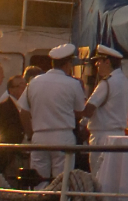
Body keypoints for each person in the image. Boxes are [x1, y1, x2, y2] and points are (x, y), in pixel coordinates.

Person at [17, 43, 85, 181]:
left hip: (39, 137)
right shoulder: (73, 84)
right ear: (68, 64)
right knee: (62, 181)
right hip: (63, 137)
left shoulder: (34, 82)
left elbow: (23, 111)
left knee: (38, 181)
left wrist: (30, 135)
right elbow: (80, 112)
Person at [82, 45, 128, 174]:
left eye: (99, 61)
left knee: (99, 176)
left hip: (102, 137)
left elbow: (88, 110)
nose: (97, 64)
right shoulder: (125, 81)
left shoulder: (107, 83)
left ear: (107, 62)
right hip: (120, 137)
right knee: (115, 177)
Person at [0, 75, 27, 177]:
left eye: (25, 85)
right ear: (11, 90)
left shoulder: (28, 107)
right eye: (20, 86)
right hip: (8, 154)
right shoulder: (2, 108)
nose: (24, 89)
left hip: (25, 154)